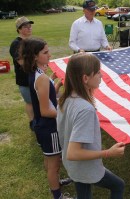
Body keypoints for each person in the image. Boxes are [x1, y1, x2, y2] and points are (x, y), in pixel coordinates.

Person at [57, 53, 126, 199]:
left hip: (74, 167)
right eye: (98, 72)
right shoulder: (85, 109)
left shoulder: (66, 99)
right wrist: (108, 152)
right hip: (85, 167)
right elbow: (74, 153)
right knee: (118, 185)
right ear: (85, 78)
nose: (101, 75)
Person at [19, 38, 70, 199]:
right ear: (35, 56)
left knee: (49, 160)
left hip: (42, 126)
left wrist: (56, 83)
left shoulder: (38, 74)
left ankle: (55, 183)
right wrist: (64, 113)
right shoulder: (41, 78)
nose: (50, 55)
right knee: (54, 165)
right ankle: (58, 195)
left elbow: (48, 98)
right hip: (49, 127)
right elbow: (45, 110)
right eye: (45, 52)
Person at [9, 16, 35, 131]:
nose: (29, 28)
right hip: (24, 78)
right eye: (26, 26)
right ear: (19, 29)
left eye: (30, 26)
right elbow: (22, 62)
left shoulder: (30, 41)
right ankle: (32, 122)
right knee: (30, 101)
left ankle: (38, 120)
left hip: (34, 75)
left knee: (37, 100)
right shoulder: (16, 44)